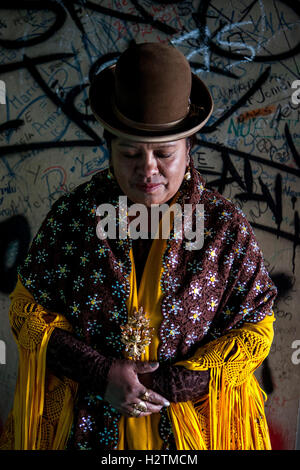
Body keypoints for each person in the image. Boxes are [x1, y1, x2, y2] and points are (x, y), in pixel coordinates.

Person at [0, 42, 277, 451]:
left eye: (163, 154)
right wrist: (99, 372)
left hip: (193, 438)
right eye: (130, 153)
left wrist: (176, 382)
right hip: (88, 435)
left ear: (188, 151)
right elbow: (27, 312)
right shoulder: (74, 219)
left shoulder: (223, 228)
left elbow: (257, 326)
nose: (148, 170)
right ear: (108, 147)